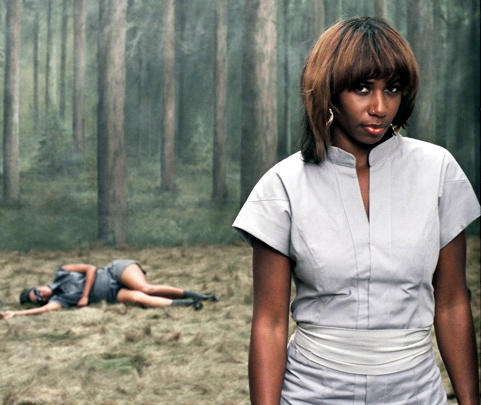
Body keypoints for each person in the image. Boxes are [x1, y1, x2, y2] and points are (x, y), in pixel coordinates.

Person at [233, 17, 480, 405]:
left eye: (392, 89)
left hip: (415, 392)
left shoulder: (438, 171)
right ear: (329, 91)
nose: (380, 107)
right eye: (362, 89)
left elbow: (451, 303)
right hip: (312, 392)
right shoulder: (283, 186)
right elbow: (269, 323)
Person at [0, 259, 218, 319]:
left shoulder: (62, 272)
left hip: (116, 272)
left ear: (38, 286)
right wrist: (16, 314)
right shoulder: (61, 301)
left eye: (37, 292)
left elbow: (91, 269)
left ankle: (202, 296)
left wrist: (85, 296)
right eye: (39, 299)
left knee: (145, 288)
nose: (41, 296)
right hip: (113, 294)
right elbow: (44, 310)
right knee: (139, 299)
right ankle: (188, 304)